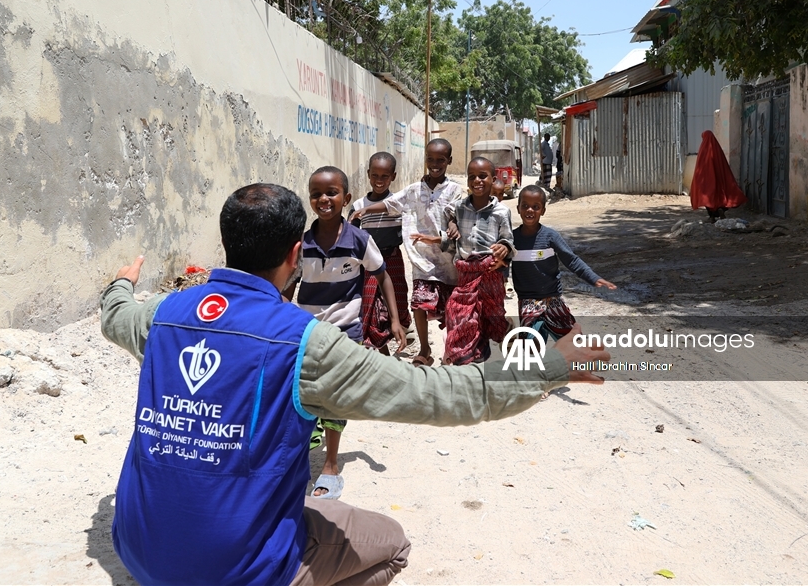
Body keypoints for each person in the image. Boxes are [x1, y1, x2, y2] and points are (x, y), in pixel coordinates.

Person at [101, 182, 610, 586]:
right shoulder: (304, 343)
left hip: (139, 551)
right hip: (235, 570)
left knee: (308, 502)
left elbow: (115, 316)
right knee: (392, 545)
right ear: (295, 254)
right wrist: (547, 366)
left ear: (227, 245)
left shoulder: (164, 315)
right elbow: (445, 395)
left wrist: (122, 282)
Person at [283, 166, 406, 500]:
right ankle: (300, 458)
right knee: (303, 393)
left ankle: (331, 465)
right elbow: (289, 285)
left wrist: (395, 320)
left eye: (332, 192)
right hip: (307, 331)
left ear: (347, 198)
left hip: (345, 331)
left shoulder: (359, 240)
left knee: (336, 396)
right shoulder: (302, 244)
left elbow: (382, 276)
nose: (324, 199)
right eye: (317, 193)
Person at [349, 139, 465, 367]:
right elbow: (392, 204)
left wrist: (454, 224)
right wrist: (365, 209)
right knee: (419, 304)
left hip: (447, 261)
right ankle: (423, 349)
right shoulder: (413, 190)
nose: (434, 164)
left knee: (449, 310)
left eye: (440, 160)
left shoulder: (455, 191)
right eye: (430, 159)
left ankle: (450, 348)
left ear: (449, 161)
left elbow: (457, 213)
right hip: (419, 260)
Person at [414, 157, 514, 365]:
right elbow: (448, 221)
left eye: (483, 176)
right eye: (472, 177)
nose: (477, 180)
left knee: (492, 318)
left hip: (491, 273)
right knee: (458, 312)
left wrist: (504, 248)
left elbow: (508, 240)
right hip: (466, 273)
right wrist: (449, 226)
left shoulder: (501, 212)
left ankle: (506, 331)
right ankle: (463, 359)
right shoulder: (459, 208)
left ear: (493, 179)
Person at [512, 185, 617, 343]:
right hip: (527, 302)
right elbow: (501, 266)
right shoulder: (512, 240)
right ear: (518, 208)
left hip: (552, 299)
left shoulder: (550, 236)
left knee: (572, 341)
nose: (530, 210)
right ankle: (540, 366)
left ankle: (585, 363)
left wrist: (593, 278)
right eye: (525, 206)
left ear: (543, 210)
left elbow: (572, 260)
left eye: (536, 207)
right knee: (530, 344)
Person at [351, 152, 412, 354]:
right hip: (368, 264)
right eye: (375, 175)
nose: (379, 180)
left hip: (393, 258)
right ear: (368, 174)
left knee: (398, 302)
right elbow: (353, 234)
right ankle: (382, 352)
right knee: (371, 306)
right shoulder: (359, 206)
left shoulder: (398, 203)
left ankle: (401, 330)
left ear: (393, 177)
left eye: (384, 176)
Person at [690, 130, 746, 222]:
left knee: (708, 196)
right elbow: (723, 165)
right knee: (719, 195)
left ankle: (712, 217)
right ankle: (721, 209)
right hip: (719, 178)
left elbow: (699, 167)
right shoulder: (717, 150)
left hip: (707, 180)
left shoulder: (703, 149)